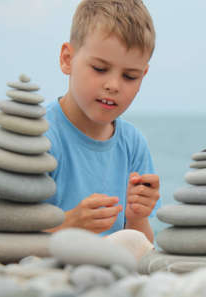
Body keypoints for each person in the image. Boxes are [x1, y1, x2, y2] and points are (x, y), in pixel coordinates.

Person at [43, 0, 160, 242]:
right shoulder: (41, 136)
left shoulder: (133, 144)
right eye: (99, 68)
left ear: (144, 76)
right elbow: (12, 237)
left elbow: (141, 245)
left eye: (130, 76)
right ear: (67, 59)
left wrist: (137, 216)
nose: (113, 85)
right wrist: (69, 225)